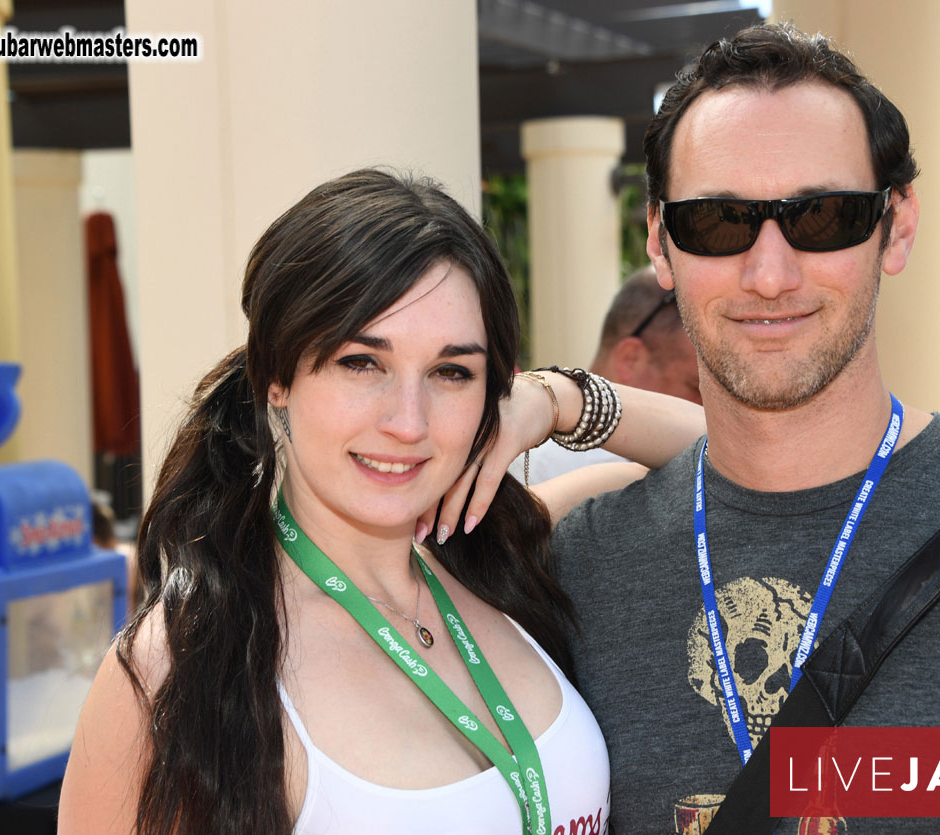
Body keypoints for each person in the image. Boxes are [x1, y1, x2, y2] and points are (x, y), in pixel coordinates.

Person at [434, 23, 940, 835]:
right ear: (659, 241)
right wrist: (545, 402)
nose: (768, 272)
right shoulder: (580, 567)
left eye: (821, 216)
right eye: (718, 221)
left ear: (895, 227)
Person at [59, 169, 705, 835]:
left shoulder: (510, 551)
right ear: (277, 377)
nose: (408, 422)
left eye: (451, 372)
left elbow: (737, 463)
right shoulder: (180, 663)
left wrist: (557, 399)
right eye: (362, 362)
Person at [508, 264, 701, 484]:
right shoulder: (554, 465)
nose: (708, 404)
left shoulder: (535, 453)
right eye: (695, 386)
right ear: (630, 359)